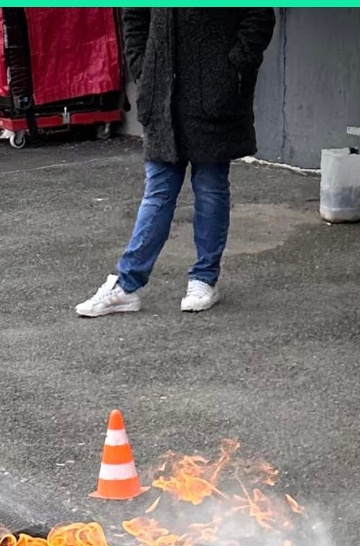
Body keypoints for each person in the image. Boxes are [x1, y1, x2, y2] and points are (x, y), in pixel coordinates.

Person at [75, 8, 276, 318]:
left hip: (213, 92)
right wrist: (143, 69)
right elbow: (134, 18)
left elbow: (258, 17)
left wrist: (232, 67)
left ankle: (203, 279)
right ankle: (126, 285)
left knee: (210, 187)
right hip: (162, 93)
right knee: (158, 189)